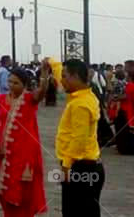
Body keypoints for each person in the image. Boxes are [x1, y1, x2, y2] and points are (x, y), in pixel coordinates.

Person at [0, 65, 50, 216]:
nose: (11, 85)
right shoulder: (1, 99)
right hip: (4, 155)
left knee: (23, 195)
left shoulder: (30, 99)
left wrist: (44, 75)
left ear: (24, 85)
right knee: (4, 192)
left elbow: (42, 92)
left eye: (16, 83)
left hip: (24, 156)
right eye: (9, 82)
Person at [56, 59, 105, 216]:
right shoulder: (87, 96)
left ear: (75, 76)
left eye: (64, 77)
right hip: (89, 166)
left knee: (75, 212)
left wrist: (66, 166)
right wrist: (50, 64)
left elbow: (79, 139)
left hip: (81, 167)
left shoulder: (80, 105)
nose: (61, 80)